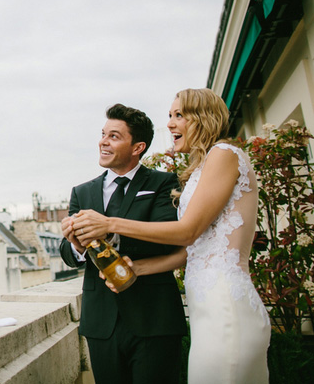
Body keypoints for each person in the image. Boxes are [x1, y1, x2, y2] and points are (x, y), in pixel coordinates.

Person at [74, 88, 270, 383]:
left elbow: (187, 232)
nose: (169, 124)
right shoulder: (201, 168)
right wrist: (138, 268)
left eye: (179, 115)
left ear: (203, 118)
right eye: (170, 115)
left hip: (224, 301)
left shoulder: (224, 154)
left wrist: (109, 224)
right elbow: (195, 249)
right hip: (205, 303)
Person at [59, 103, 187, 384]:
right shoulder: (82, 192)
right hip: (100, 322)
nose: (103, 142)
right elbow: (68, 254)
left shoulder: (164, 183)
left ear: (138, 147)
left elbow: (167, 239)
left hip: (155, 319)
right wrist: (78, 245)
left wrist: (108, 234)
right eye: (103, 134)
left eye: (114, 136)